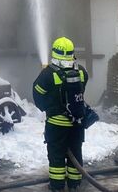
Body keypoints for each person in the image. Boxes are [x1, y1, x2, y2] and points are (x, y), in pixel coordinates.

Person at [33, 37, 90, 192]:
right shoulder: (81, 71)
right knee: (76, 153)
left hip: (57, 124)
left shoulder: (48, 73)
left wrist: (48, 108)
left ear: (55, 52)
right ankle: (74, 184)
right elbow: (82, 88)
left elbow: (37, 94)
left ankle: (57, 186)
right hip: (77, 122)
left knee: (57, 155)